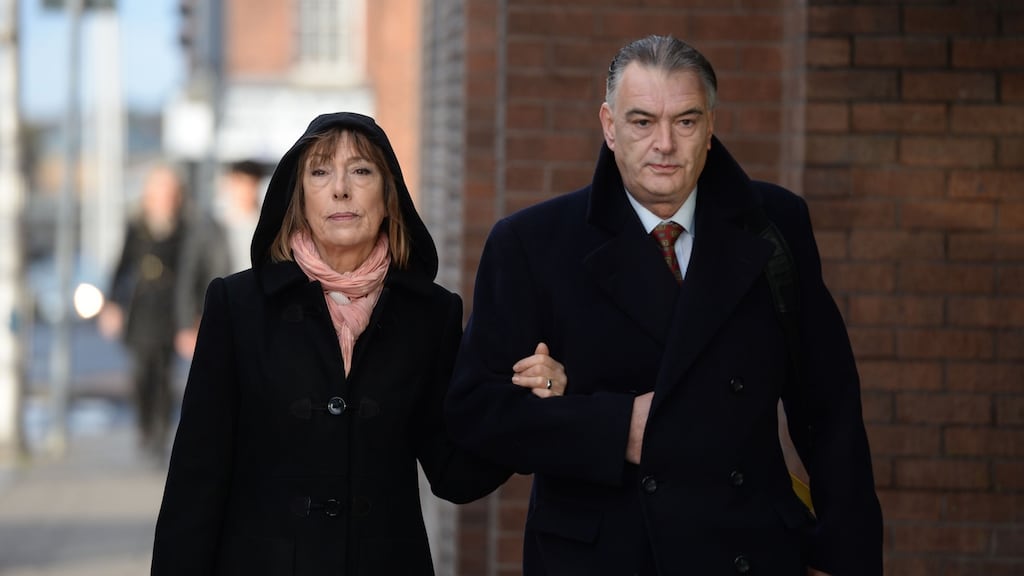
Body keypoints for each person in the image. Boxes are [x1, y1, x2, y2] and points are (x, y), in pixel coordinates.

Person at [445, 35, 882, 575]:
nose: (665, 144)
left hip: (747, 547)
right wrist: (613, 426)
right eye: (642, 121)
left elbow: (829, 408)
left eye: (686, 121)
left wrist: (845, 559)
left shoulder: (775, 225)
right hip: (605, 557)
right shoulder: (532, 243)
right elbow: (474, 414)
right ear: (609, 126)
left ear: (711, 126)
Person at [151, 112, 565, 575]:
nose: (341, 189)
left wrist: (530, 408)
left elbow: (454, 472)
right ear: (298, 195)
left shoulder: (429, 314)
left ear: (390, 196)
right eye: (321, 171)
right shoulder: (238, 306)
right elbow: (196, 481)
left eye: (362, 171)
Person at [98, 164, 186, 460]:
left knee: (163, 372)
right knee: (140, 372)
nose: (162, 197)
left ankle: (160, 432)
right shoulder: (136, 226)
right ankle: (144, 426)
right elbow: (121, 266)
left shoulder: (184, 226)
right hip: (140, 308)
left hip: (169, 309)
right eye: (157, 190)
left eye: (167, 191)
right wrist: (111, 304)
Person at [174, 159, 265, 360]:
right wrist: (186, 324)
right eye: (240, 183)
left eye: (250, 184)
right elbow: (189, 276)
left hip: (261, 316)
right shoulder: (209, 228)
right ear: (229, 185)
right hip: (220, 315)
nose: (245, 191)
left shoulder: (270, 227)